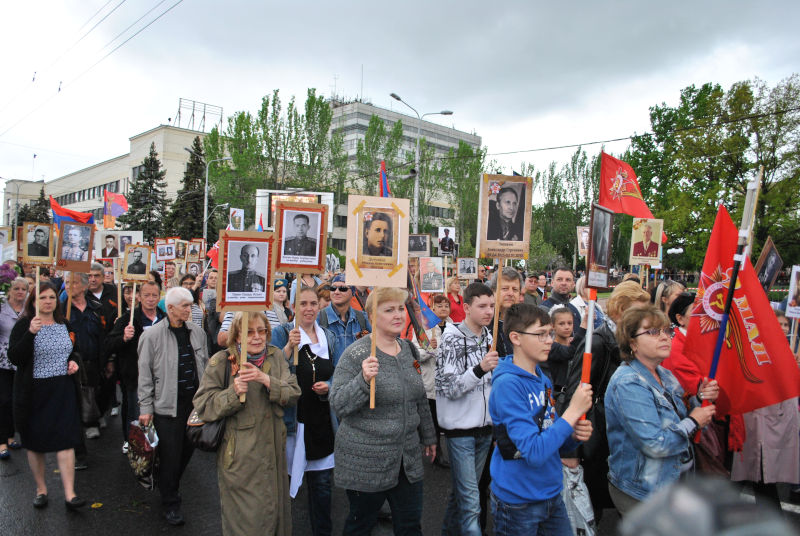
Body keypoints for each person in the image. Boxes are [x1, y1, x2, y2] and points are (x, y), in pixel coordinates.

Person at [330, 287, 436, 535]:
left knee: (410, 525)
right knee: (360, 525)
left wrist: (429, 436)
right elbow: (338, 403)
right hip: (366, 460)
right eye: (389, 310)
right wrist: (363, 381)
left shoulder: (408, 349)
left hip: (406, 459)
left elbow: (419, 397)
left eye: (400, 308)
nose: (398, 315)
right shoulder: (356, 353)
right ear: (372, 315)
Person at [489, 304, 593, 535]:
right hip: (518, 500)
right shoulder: (507, 384)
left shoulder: (542, 377)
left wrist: (572, 435)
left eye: (550, 334)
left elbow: (550, 433)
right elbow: (533, 452)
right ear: (515, 337)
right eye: (541, 334)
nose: (549, 341)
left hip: (550, 491)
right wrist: (572, 413)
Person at [605, 305, 719, 515]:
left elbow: (677, 417)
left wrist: (699, 399)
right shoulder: (628, 383)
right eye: (653, 332)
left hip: (673, 484)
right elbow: (655, 444)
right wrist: (695, 421)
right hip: (644, 492)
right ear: (632, 343)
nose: (665, 337)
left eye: (667, 331)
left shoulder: (664, 374)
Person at [193, 311, 300, 535]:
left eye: (261, 331)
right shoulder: (222, 361)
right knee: (247, 522)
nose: (257, 337)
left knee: (275, 515)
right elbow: (203, 405)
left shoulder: (275, 356)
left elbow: (293, 393)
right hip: (240, 456)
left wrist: (266, 380)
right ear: (237, 335)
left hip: (273, 454)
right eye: (249, 332)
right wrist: (233, 393)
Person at [559, 279, 651, 520]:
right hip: (597, 430)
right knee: (591, 502)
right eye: (639, 311)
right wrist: (572, 447)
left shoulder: (632, 342)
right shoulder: (598, 341)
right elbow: (575, 390)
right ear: (621, 310)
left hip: (621, 430)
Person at [8, 282, 86, 509]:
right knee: (35, 442)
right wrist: (31, 333)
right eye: (42, 297)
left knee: (66, 440)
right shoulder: (25, 325)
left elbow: (74, 349)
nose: (48, 301)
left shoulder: (64, 324)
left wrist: (73, 362)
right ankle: (41, 488)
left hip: (62, 390)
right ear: (33, 302)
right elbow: (15, 357)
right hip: (34, 392)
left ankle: (70, 493)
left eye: (52, 297)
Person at [138, 287, 208, 525]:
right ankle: (171, 503)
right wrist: (145, 407)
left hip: (193, 404)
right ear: (170, 308)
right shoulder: (151, 336)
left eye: (191, 305)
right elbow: (145, 375)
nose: (190, 310)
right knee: (170, 456)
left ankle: (168, 485)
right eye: (185, 306)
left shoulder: (197, 332)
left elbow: (205, 366)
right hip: (167, 407)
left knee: (186, 452)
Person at [272, 287, 337, 536]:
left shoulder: (328, 336)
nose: (309, 309)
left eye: (313, 304)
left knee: (321, 488)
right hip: (292, 420)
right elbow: (271, 373)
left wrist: (329, 386)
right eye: (303, 304)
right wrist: (289, 348)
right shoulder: (281, 333)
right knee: (285, 488)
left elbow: (337, 372)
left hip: (321, 421)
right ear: (293, 306)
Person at [436, 282, 498, 535]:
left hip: (485, 429)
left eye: (492, 306)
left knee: (462, 495)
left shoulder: (488, 336)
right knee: (471, 502)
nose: (489, 312)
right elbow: (449, 387)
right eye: (482, 306)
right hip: (461, 431)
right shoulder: (451, 338)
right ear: (466, 307)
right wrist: (479, 369)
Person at [105, 281, 164, 454]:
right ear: (139, 297)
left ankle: (153, 448)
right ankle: (139, 448)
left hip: (160, 377)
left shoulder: (164, 318)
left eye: (154, 295)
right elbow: (108, 344)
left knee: (157, 414)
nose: (151, 299)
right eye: (147, 295)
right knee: (138, 413)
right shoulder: (127, 319)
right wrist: (123, 338)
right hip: (136, 376)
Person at [66, 273, 107, 440]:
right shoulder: (62, 310)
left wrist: (108, 360)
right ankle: (86, 424)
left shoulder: (96, 308)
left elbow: (104, 334)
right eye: (66, 282)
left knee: (95, 391)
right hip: (73, 360)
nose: (69, 286)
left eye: (73, 282)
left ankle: (94, 417)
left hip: (94, 359)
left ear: (84, 286)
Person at [415, 294, 450, 468]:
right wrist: (429, 349)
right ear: (431, 309)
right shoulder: (422, 330)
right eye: (439, 306)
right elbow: (415, 355)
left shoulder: (452, 328)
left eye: (446, 305)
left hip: (446, 382)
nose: (443, 308)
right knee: (432, 421)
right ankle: (436, 454)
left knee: (444, 420)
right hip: (429, 383)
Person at [0, 277, 28, 459]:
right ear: (9, 290)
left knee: (16, 400)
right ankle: (2, 441)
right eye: (16, 288)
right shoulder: (1, 307)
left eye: (23, 289)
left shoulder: (29, 308)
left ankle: (11, 436)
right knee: (3, 400)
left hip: (22, 360)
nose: (19, 292)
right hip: (2, 360)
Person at [317, 274, 371, 366]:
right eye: (333, 288)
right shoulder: (318, 318)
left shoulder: (363, 319)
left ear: (353, 292)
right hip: (329, 379)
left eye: (343, 288)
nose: (336, 292)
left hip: (357, 378)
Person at [661, 292, 703, 395]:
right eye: (695, 311)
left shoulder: (700, 341)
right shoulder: (676, 349)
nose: (702, 316)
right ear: (680, 319)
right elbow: (698, 388)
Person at [540, 267, 581, 337]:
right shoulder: (543, 310)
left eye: (568, 280)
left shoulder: (574, 310)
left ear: (573, 284)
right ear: (552, 283)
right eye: (559, 279)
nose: (564, 283)